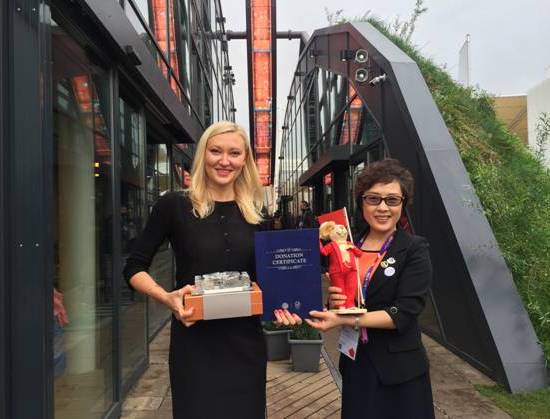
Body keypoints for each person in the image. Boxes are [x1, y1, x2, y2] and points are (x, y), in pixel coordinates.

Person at [123, 121, 298, 419]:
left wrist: (286, 305)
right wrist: (166, 297)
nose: (224, 161)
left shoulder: (256, 214)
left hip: (246, 344)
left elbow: (268, 280)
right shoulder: (173, 205)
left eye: (234, 153)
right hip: (194, 343)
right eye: (216, 151)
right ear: (203, 154)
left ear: (245, 160)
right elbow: (133, 267)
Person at [306, 158, 435, 419]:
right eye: (374, 199)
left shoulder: (414, 249)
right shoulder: (348, 245)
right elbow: (348, 299)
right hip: (357, 363)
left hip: (400, 372)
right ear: (362, 202)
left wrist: (344, 318)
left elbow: (404, 313)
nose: (383, 208)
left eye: (392, 200)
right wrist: (335, 301)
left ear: (403, 203)